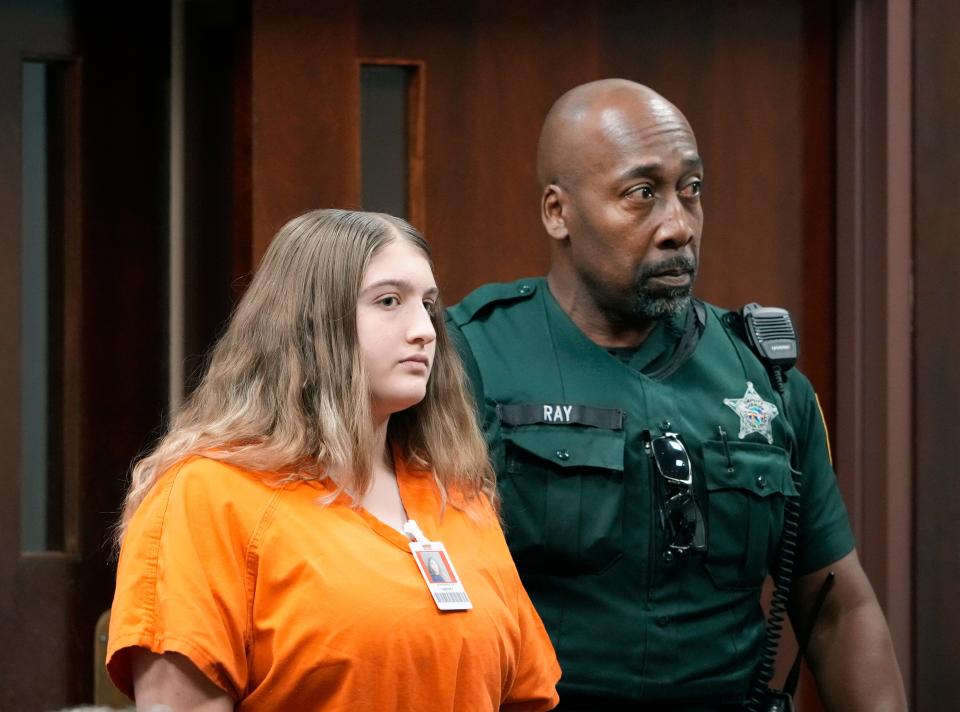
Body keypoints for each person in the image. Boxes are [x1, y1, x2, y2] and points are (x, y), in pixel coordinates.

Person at [446, 79, 907, 710]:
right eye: (642, 194)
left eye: (690, 191)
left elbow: (838, 609)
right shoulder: (469, 358)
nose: (677, 226)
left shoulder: (764, 377)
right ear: (558, 212)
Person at [107, 209, 560, 711]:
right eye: (389, 301)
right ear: (311, 323)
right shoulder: (207, 496)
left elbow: (526, 695)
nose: (425, 330)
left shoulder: (456, 494)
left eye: (428, 304)